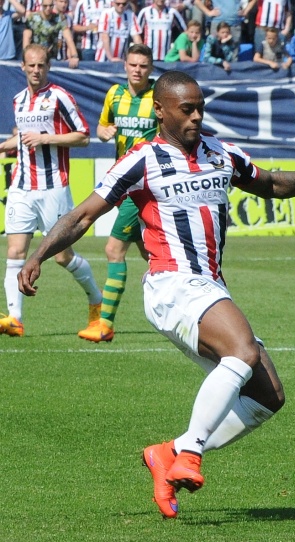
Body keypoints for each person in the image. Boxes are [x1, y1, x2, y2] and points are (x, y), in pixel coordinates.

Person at [17, 70, 295, 519]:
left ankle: (167, 451)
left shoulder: (220, 153)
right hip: (171, 284)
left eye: (200, 108)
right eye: (186, 109)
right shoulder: (143, 159)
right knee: (242, 349)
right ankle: (191, 454)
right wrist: (39, 254)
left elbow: (269, 184)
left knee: (268, 397)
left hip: (208, 285)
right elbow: (82, 216)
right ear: (161, 110)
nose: (196, 117)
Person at [0, 44, 101, 338]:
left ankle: (95, 300)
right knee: (15, 251)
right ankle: (15, 319)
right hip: (21, 186)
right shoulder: (18, 100)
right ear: (23, 67)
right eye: (31, 65)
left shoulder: (59, 97)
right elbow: (20, 141)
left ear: (48, 67)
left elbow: (83, 136)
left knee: (62, 256)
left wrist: (46, 139)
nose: (35, 70)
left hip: (53, 186)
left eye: (41, 65)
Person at [78, 44, 156, 344]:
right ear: (125, 65)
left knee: (113, 250)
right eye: (133, 65)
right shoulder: (115, 94)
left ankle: (106, 323)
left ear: (150, 68)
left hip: (144, 183)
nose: (137, 70)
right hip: (121, 181)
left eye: (143, 66)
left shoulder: (158, 97)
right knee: (148, 252)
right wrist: (103, 132)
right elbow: (102, 125)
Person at [23, 0, 81, 66]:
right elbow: (26, 38)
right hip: (35, 55)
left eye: (50, 6)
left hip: (51, 57)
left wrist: (74, 56)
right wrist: (25, 56)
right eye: (45, 6)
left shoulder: (59, 18)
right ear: (41, 5)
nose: (48, 8)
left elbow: (68, 38)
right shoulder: (32, 18)